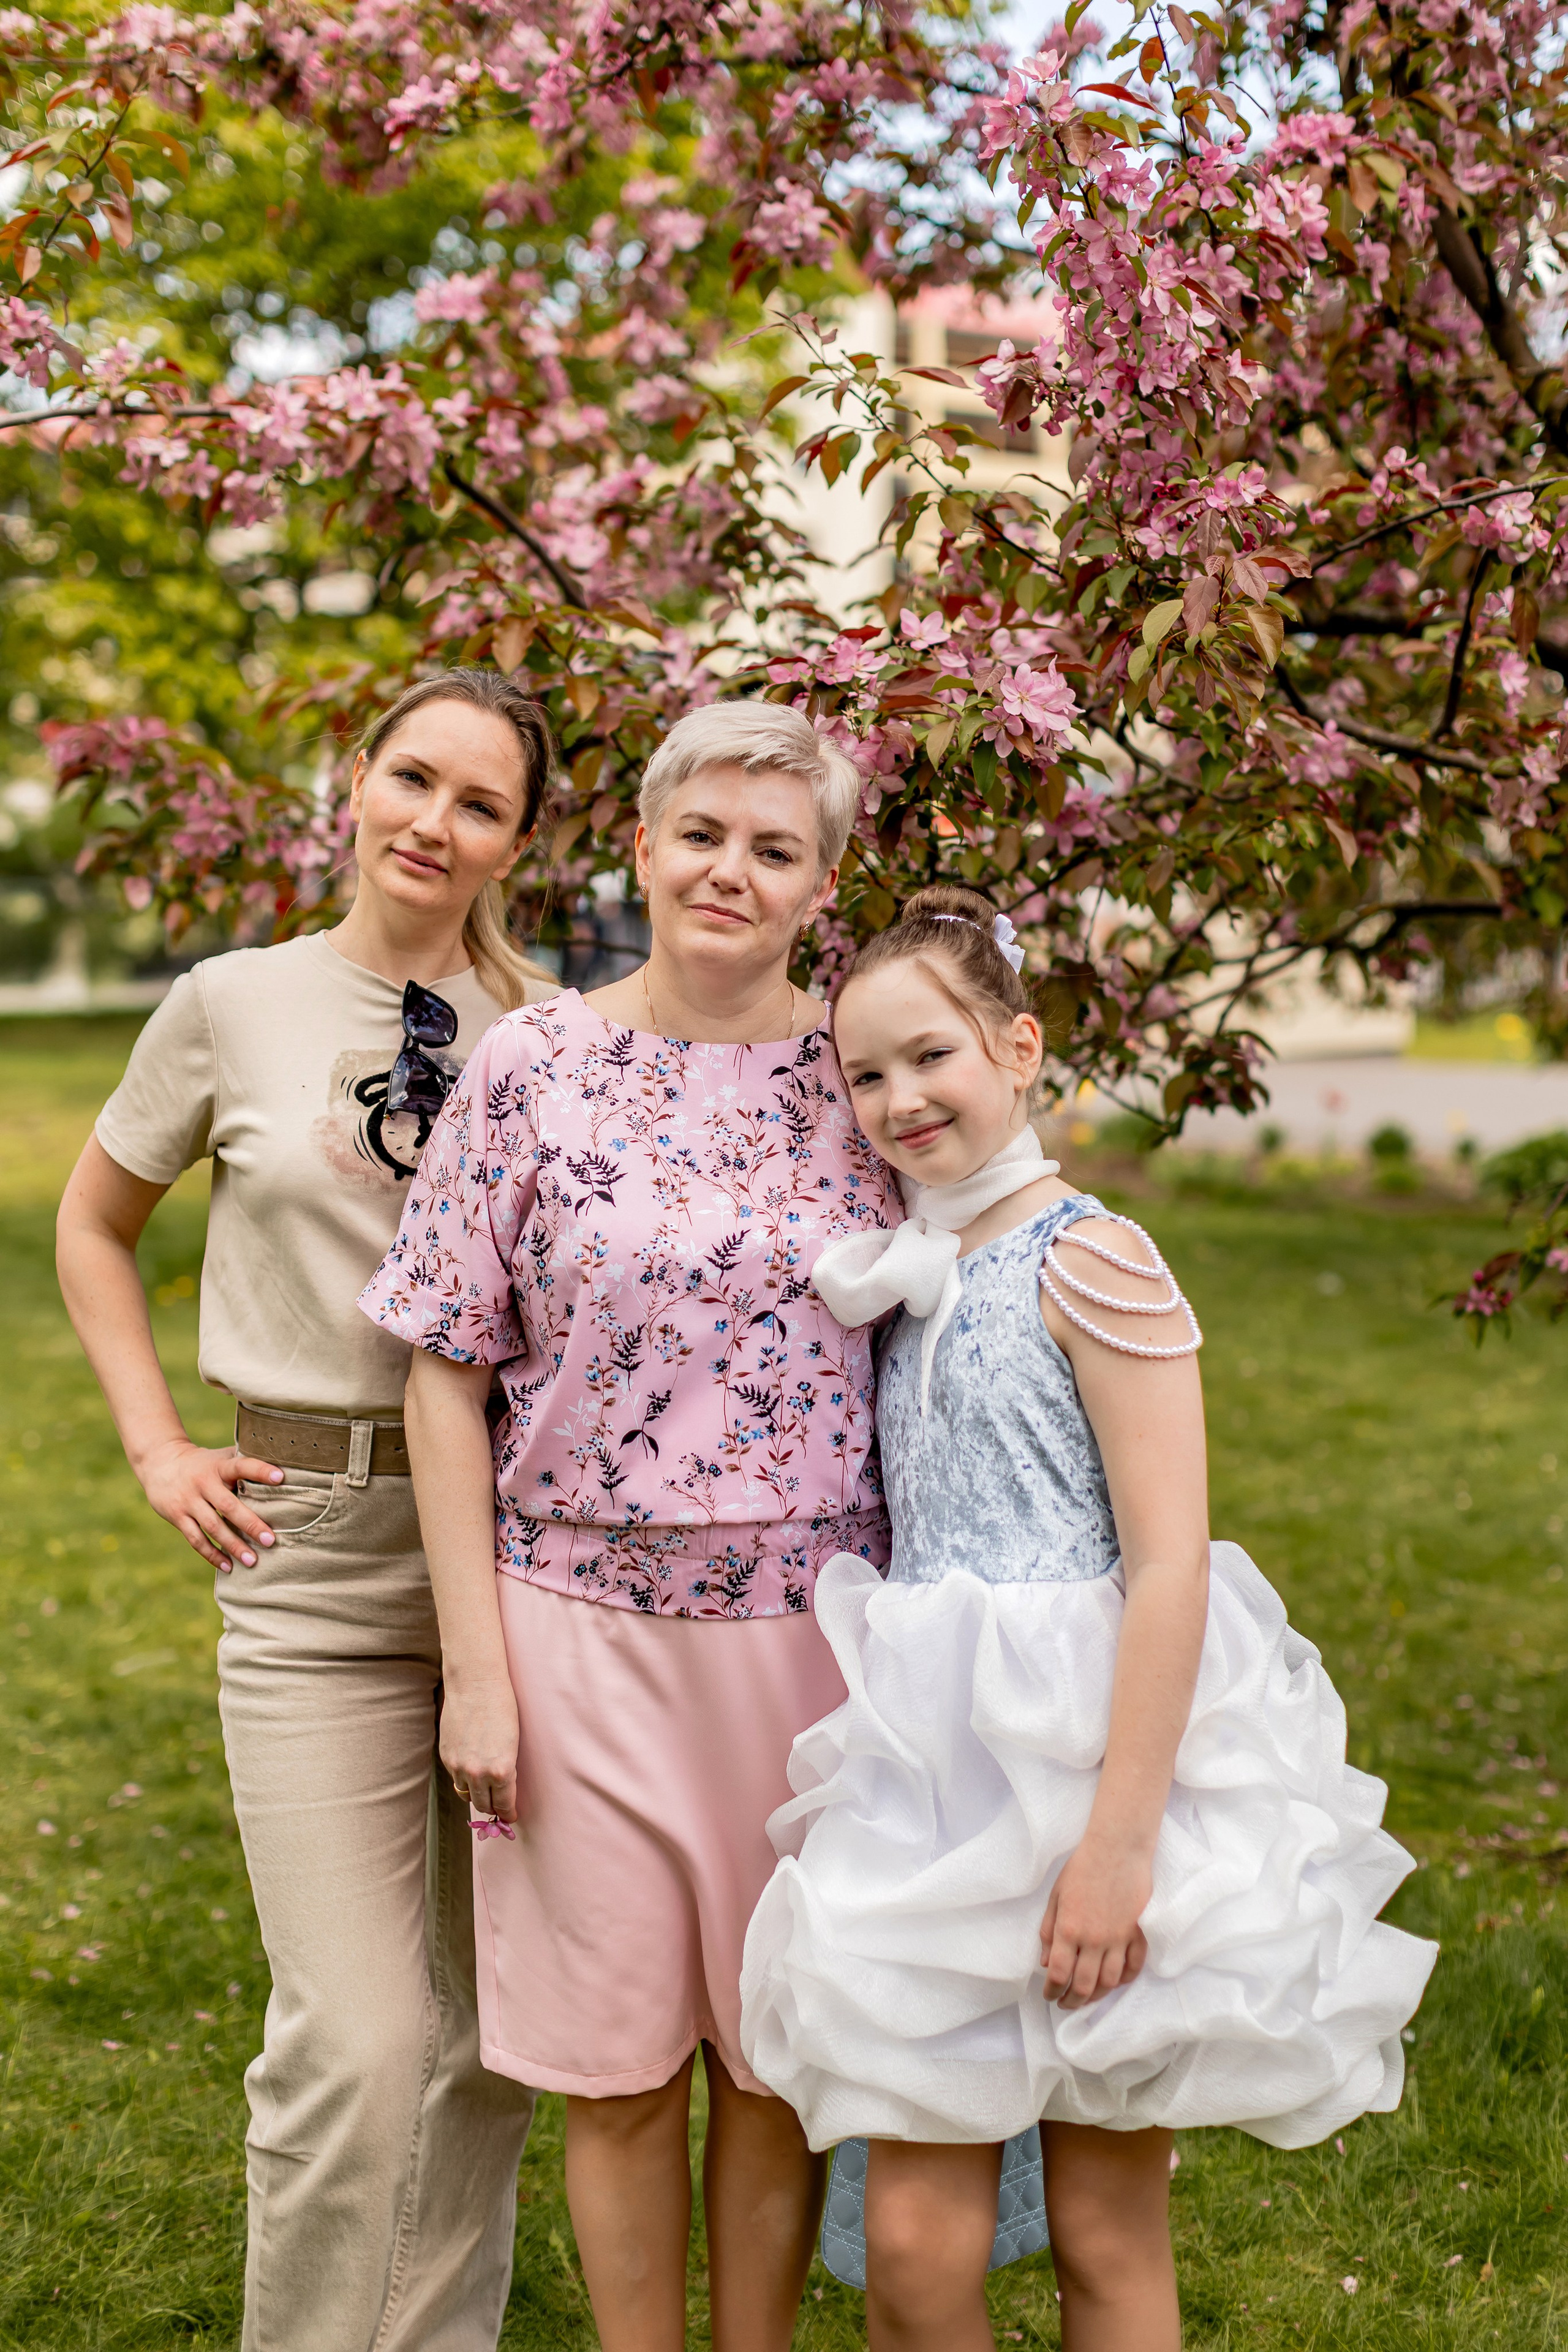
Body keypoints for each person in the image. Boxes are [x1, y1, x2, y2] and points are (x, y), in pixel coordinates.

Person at [739, 883, 1438, 2352]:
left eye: (929, 1055)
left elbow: (1170, 1562)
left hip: (1095, 1776)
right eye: (862, 1073)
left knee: (1105, 2236)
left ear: (1018, 1046)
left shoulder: (1093, 1257)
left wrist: (1118, 1850)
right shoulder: (908, 1273)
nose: (897, 1097)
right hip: (932, 1782)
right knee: (917, 2257)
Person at [358, 703, 901, 2352]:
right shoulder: (533, 1065)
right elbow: (443, 1370)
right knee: (614, 2074)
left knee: (773, 2061)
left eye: (776, 848)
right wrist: (477, 1672)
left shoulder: (867, 1072)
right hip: (573, 1637)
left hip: (817, 1652)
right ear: (643, 846)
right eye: (702, 835)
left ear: (823, 885)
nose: (729, 871)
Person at [55, 670, 557, 2352]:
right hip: (310, 1562)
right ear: (356, 779)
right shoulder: (232, 1003)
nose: (434, 821)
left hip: (514, 1571)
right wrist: (154, 1448)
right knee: (349, 2038)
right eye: (413, 777)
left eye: (479, 803)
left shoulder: (554, 1041)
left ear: (518, 843)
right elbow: (94, 1223)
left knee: (491, 2038)